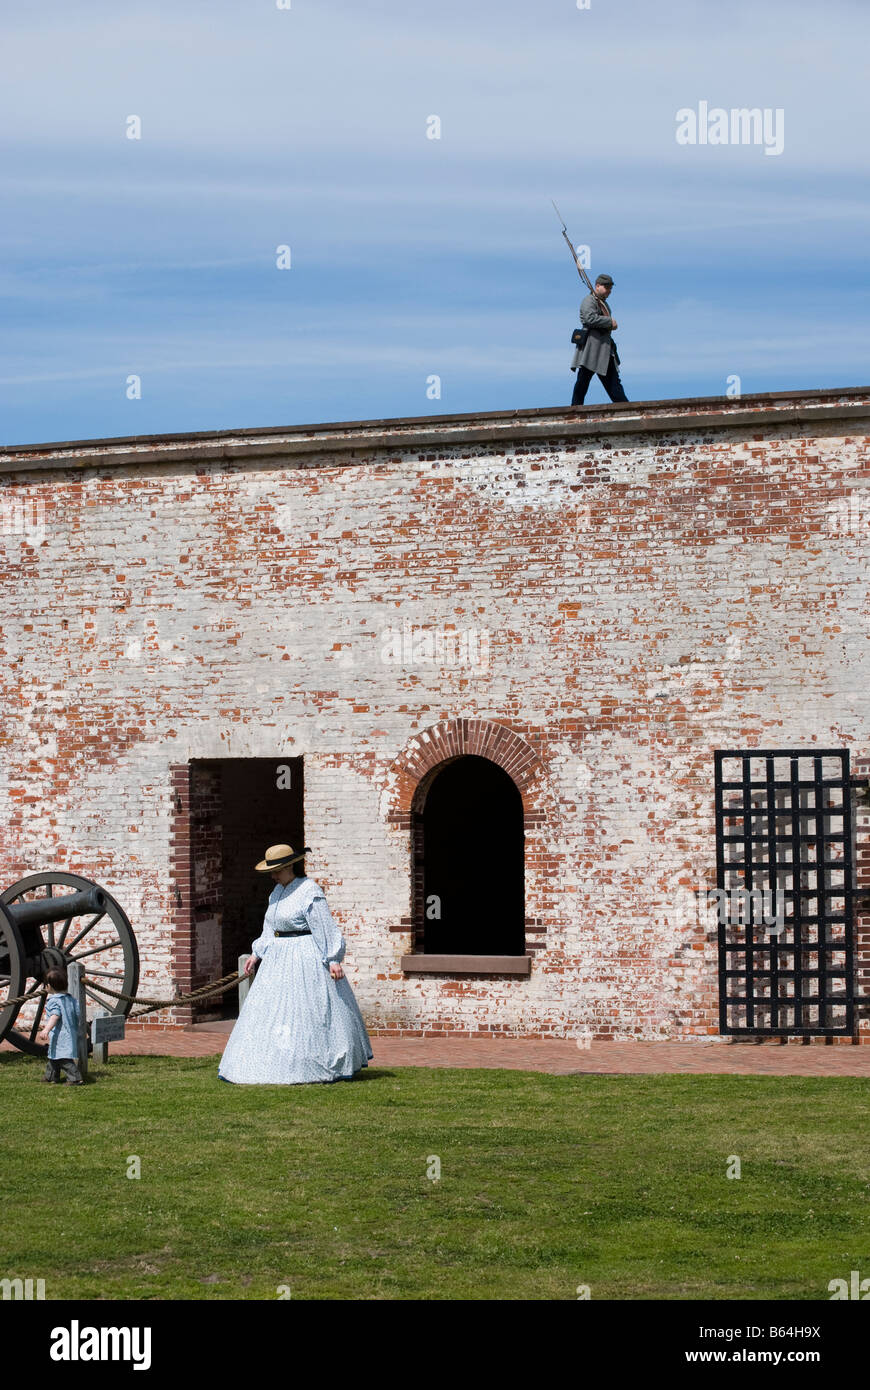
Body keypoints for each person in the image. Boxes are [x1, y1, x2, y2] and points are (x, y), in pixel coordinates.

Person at [218, 843, 373, 1085]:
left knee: (307, 1010)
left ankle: (313, 1062)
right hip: (278, 960)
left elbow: (323, 926)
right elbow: (270, 927)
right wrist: (256, 953)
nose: (272, 875)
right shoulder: (276, 893)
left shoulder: (309, 891)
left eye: (277, 870)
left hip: (304, 956)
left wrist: (332, 959)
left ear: (290, 866)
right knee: (273, 1012)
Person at [570, 273, 629, 407]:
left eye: (610, 288)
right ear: (597, 286)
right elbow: (588, 318)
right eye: (606, 287)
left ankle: (625, 407)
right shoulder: (589, 301)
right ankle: (575, 409)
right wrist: (609, 322)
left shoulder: (603, 304)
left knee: (613, 384)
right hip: (591, 348)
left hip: (604, 349)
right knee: (582, 381)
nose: (609, 291)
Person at [36, 967, 83, 1084]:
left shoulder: (54, 1001)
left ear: (49, 986)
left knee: (63, 1059)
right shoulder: (70, 999)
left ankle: (75, 1078)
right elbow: (77, 1013)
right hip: (69, 1032)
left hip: (60, 1034)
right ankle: (51, 1077)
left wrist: (46, 1029)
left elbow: (55, 1016)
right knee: (54, 1056)